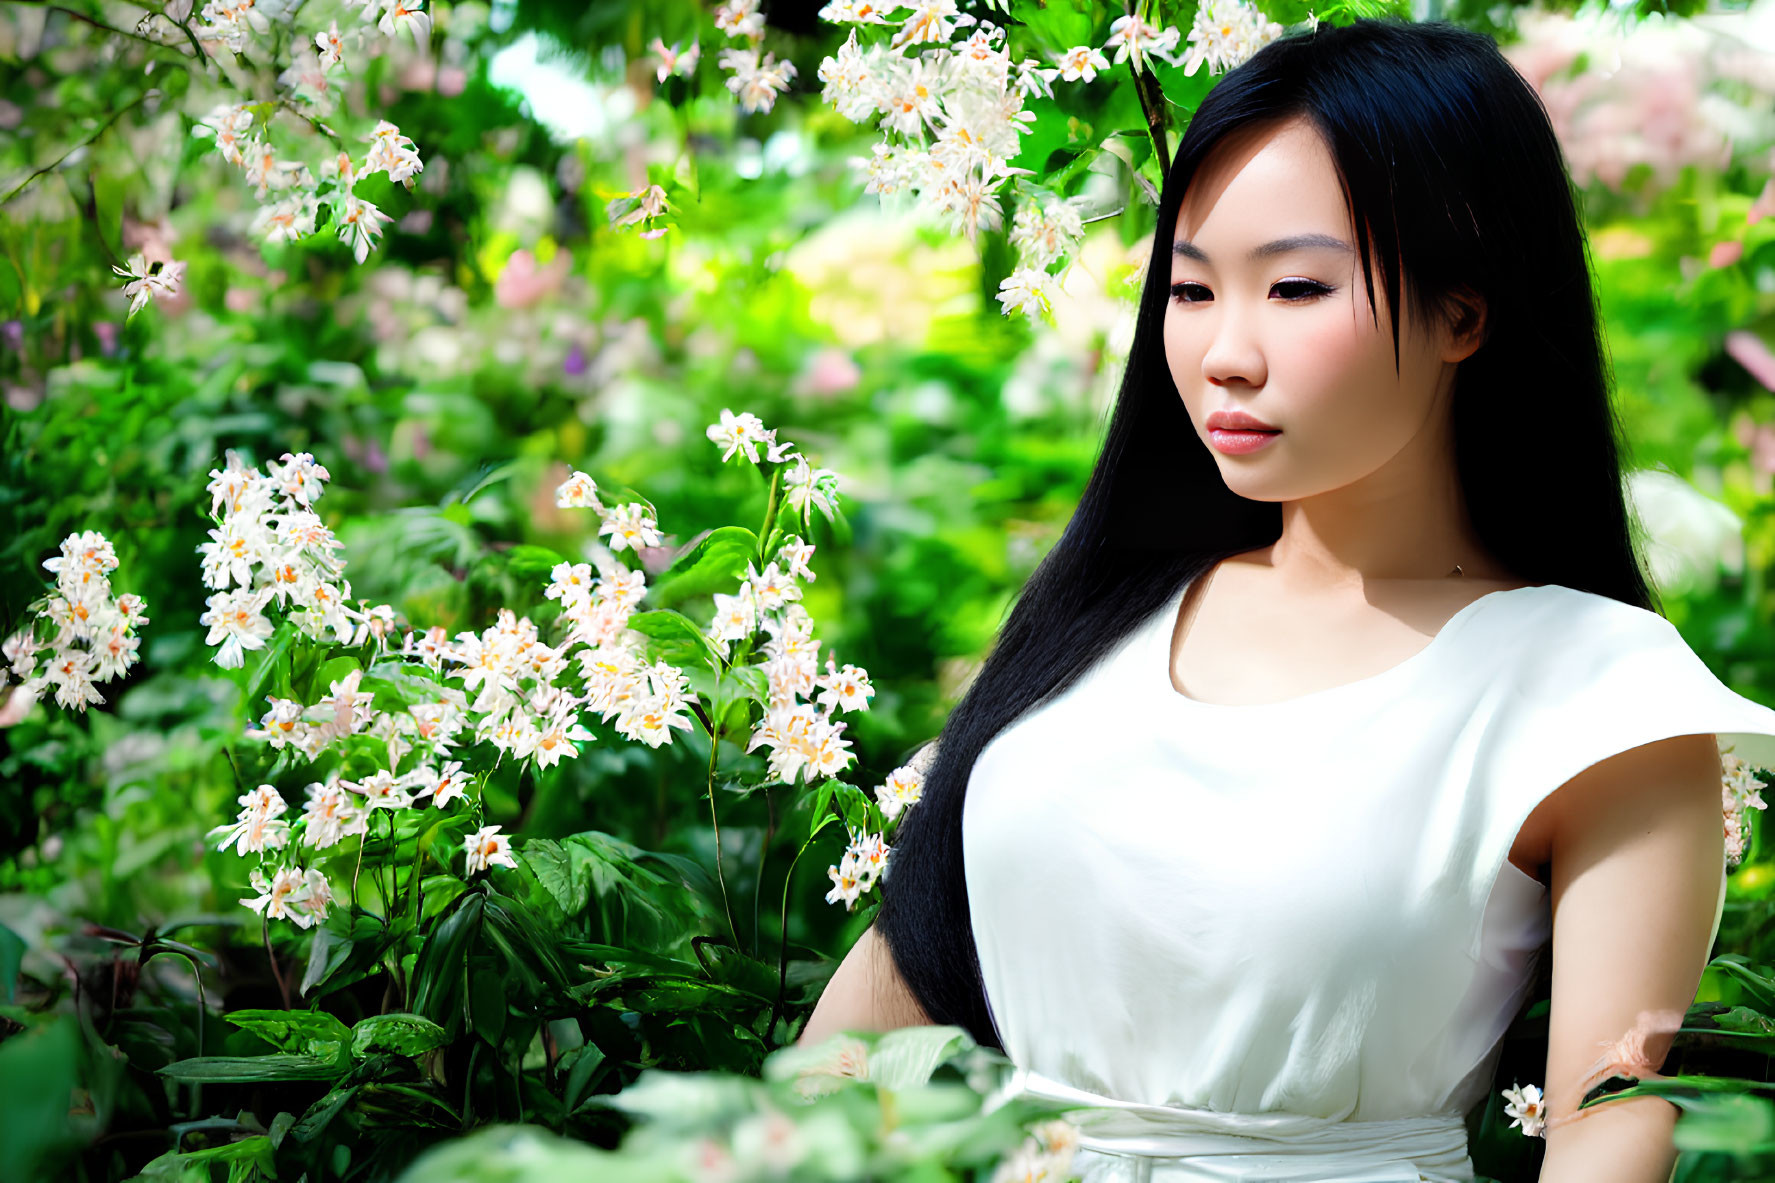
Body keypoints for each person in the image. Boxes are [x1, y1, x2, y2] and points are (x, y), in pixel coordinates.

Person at [801, 17, 1775, 1183]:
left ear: (1463, 313)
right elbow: (850, 1053)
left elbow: (1608, 1132)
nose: (1224, 352)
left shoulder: (1597, 695)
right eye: (1192, 289)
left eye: (1296, 287)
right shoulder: (1100, 620)